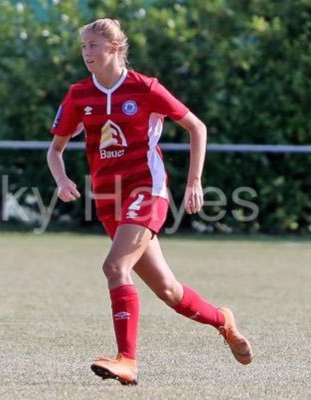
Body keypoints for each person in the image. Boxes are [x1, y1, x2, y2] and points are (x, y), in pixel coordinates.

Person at [47, 18, 253, 385]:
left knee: (114, 267)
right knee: (169, 291)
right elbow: (55, 150)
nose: (86, 53)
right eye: (83, 47)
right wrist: (61, 178)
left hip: (147, 191)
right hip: (109, 200)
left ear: (113, 48)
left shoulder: (145, 88)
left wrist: (194, 182)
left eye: (93, 46)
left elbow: (197, 127)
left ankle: (127, 360)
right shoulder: (79, 94)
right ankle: (224, 321)